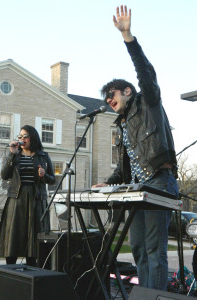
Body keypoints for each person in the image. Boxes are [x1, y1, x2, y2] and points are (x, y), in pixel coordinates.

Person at [93, 5, 179, 290]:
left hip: (159, 182)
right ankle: (145, 294)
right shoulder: (123, 124)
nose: (108, 100)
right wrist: (111, 182)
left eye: (111, 94)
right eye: (105, 99)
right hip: (137, 189)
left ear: (127, 91)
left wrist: (128, 37)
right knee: (140, 247)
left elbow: (146, 72)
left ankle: (154, 297)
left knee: (155, 250)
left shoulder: (148, 102)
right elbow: (126, 163)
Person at [0, 125, 55, 266]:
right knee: (13, 239)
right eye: (19, 136)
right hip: (16, 199)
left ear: (32, 138)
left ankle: (32, 273)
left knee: (34, 240)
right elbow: (4, 175)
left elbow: (52, 179)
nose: (21, 139)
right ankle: (11, 270)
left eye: (25, 136)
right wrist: (12, 154)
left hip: (36, 200)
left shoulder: (43, 156)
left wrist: (44, 175)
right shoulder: (14, 155)